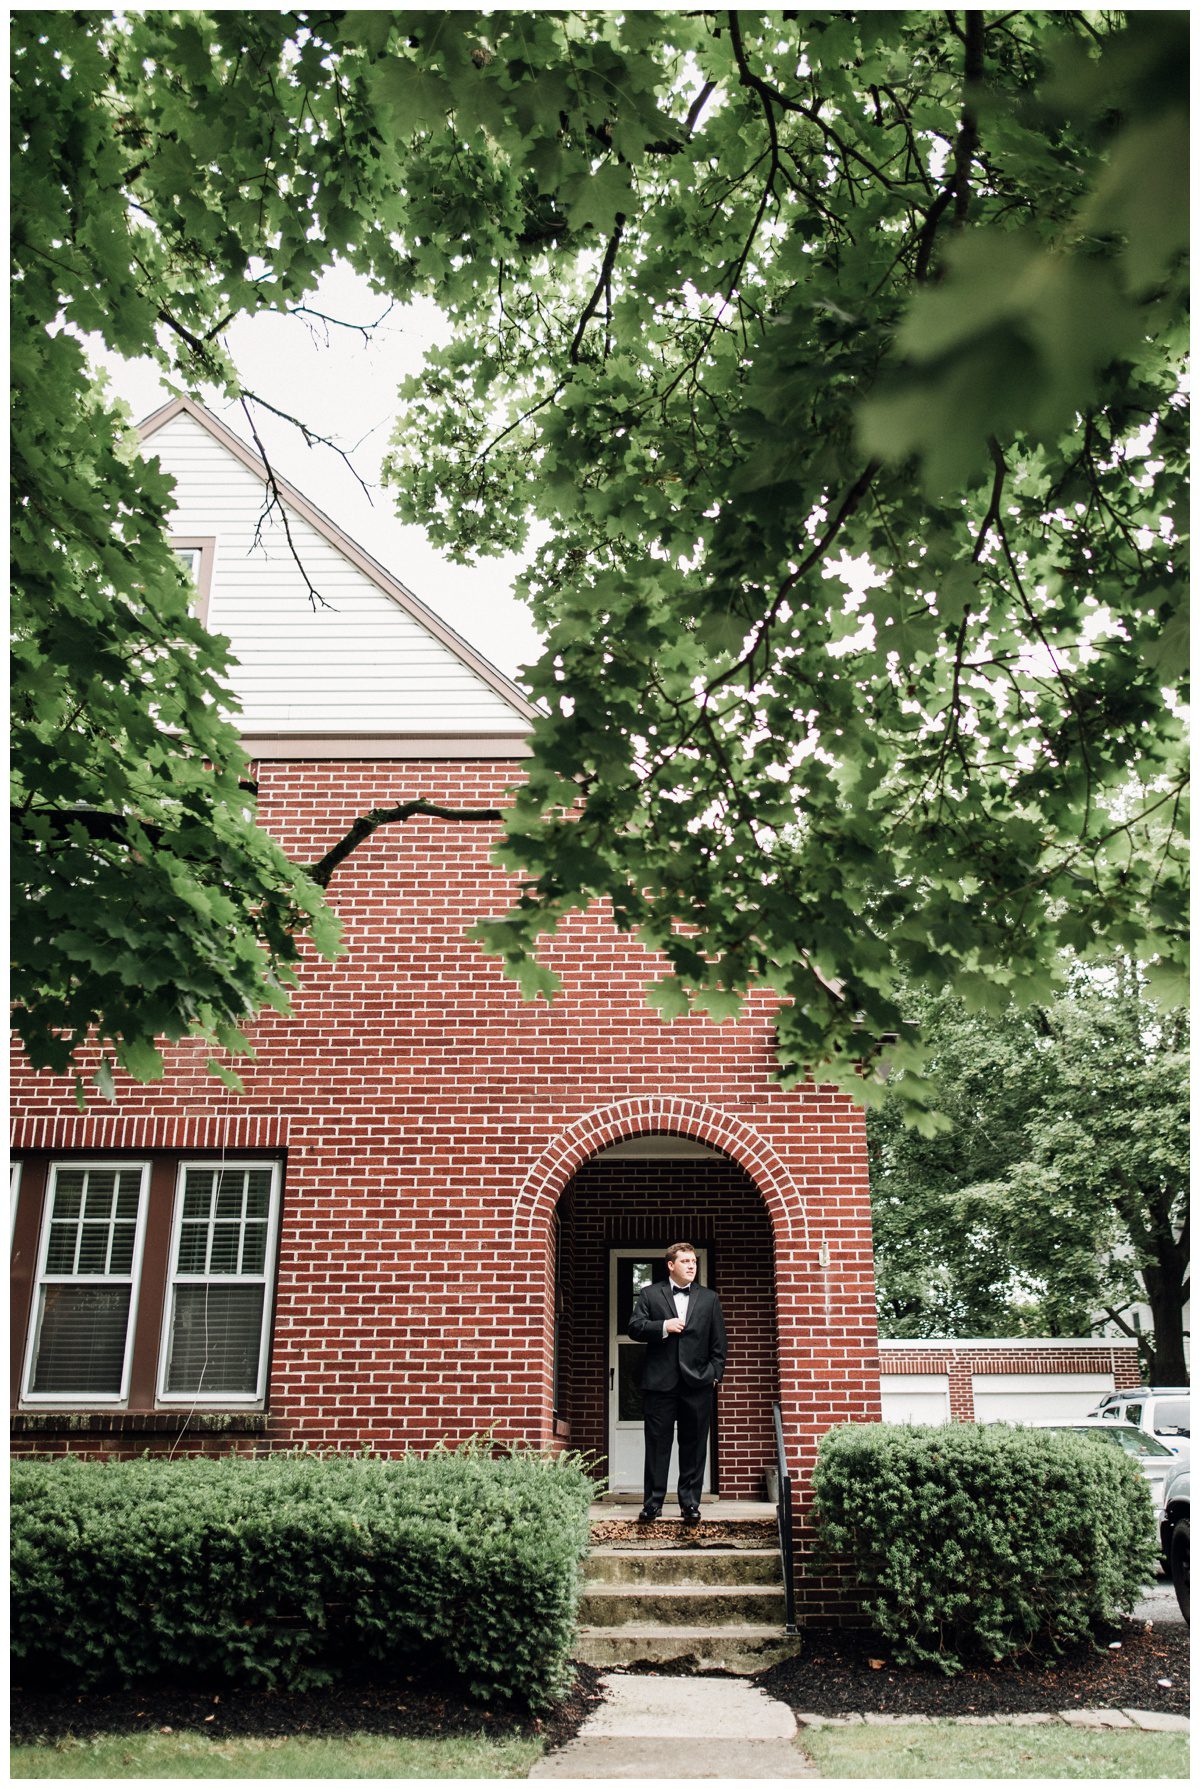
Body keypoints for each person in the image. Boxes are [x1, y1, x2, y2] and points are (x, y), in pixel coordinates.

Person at [627, 1241, 727, 1524]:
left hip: (698, 1384)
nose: (692, 1265)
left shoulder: (709, 1299)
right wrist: (663, 1326)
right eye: (685, 1261)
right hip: (660, 1384)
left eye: (694, 1261)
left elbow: (719, 1344)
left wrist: (714, 1374)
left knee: (694, 1446)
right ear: (671, 1265)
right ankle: (653, 1503)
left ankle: (690, 1504)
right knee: (657, 1445)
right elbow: (634, 1327)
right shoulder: (649, 1294)